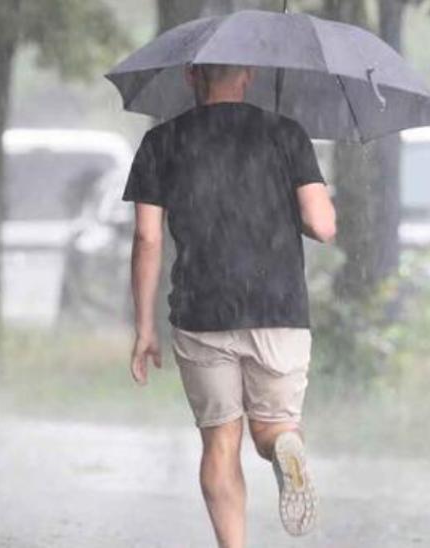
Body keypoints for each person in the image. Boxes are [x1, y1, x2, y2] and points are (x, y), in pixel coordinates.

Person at [123, 63, 337, 547]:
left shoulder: (163, 142)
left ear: (191, 76)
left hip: (203, 311)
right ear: (248, 75)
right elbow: (323, 225)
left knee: (221, 440)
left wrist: (144, 327)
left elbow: (147, 236)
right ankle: (285, 447)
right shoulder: (286, 134)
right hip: (278, 308)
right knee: (273, 427)